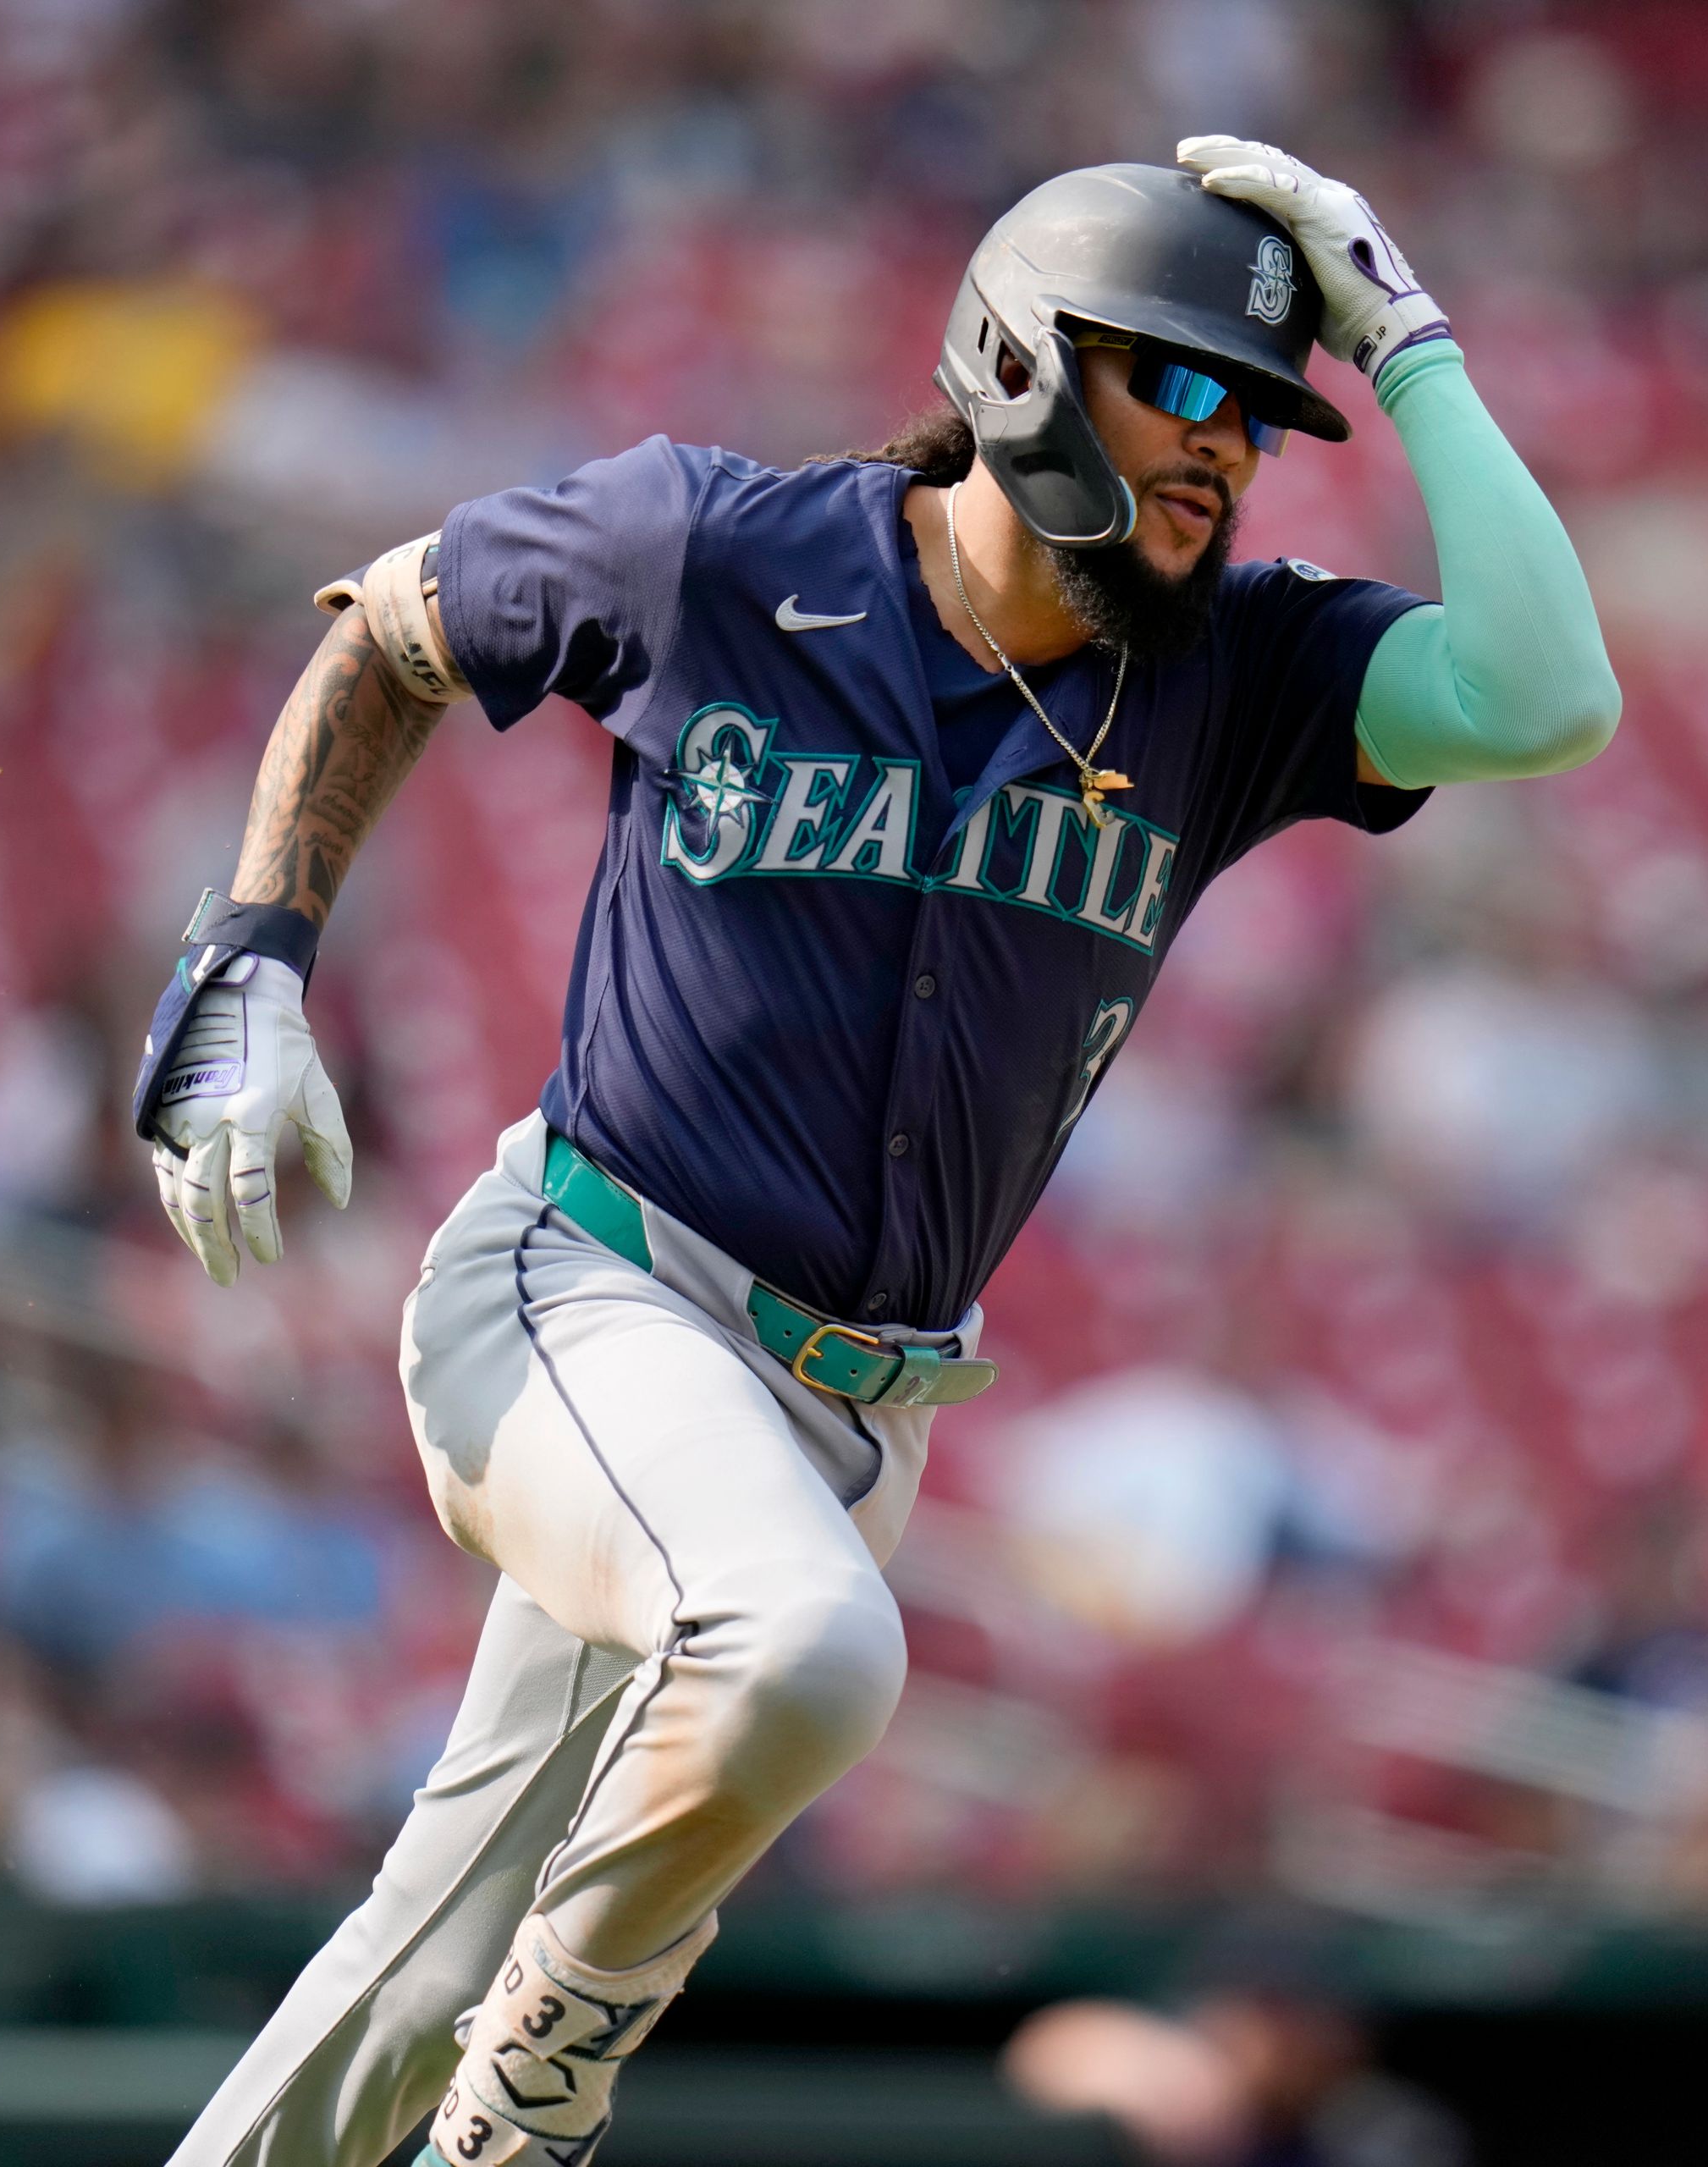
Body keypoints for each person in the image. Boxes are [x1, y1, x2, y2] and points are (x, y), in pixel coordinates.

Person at [140, 140, 1617, 2167]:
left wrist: (1411, 342)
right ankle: (540, 2091)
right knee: (809, 1649)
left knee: (415, 1961)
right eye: (1182, 386)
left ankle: (434, 2071)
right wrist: (257, 945)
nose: (1229, 455)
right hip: (584, 1290)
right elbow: (395, 631)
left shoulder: (1230, 678)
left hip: (847, 1410)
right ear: (1021, 360)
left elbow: (1551, 694)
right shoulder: (713, 549)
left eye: (1264, 421)